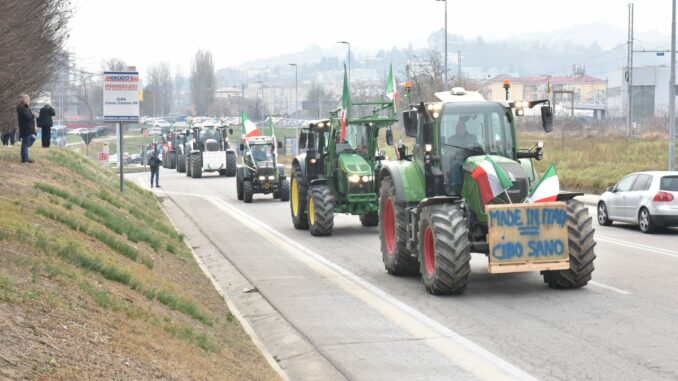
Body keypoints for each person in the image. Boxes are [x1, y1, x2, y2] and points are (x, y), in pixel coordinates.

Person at [16, 95, 36, 163]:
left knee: (31, 140)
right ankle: (25, 158)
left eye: (29, 99)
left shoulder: (26, 107)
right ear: (23, 100)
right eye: (27, 99)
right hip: (25, 128)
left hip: (28, 128)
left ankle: (24, 155)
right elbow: (27, 117)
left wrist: (32, 114)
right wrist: (33, 115)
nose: (28, 101)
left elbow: (28, 115)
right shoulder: (22, 108)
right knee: (25, 143)